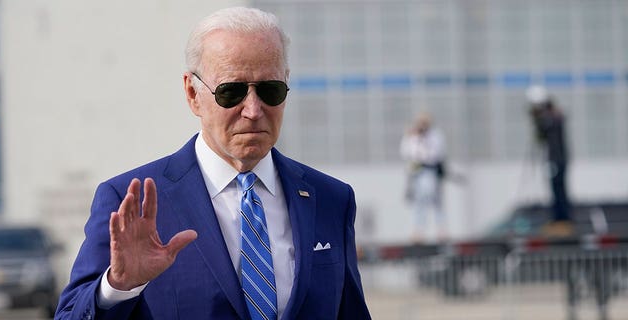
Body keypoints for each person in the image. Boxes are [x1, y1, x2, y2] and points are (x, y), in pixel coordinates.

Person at [55, 7, 371, 320]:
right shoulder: (130, 201)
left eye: (270, 90)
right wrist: (119, 287)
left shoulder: (331, 199)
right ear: (193, 93)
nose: (253, 110)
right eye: (231, 92)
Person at [526, 85, 572, 236]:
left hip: (556, 159)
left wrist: (537, 118)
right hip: (556, 158)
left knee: (558, 189)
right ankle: (559, 219)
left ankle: (562, 220)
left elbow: (542, 131)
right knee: (556, 189)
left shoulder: (551, 117)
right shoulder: (553, 115)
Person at [400, 112, 447, 243]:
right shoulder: (412, 136)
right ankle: (418, 232)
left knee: (435, 201)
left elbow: (436, 154)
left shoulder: (435, 136)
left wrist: (424, 145)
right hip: (416, 173)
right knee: (419, 203)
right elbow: (406, 152)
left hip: (430, 171)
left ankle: (441, 230)